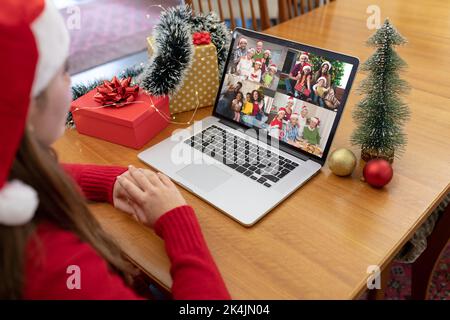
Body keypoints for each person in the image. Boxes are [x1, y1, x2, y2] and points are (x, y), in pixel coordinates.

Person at [0, 0, 230, 300]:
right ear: (26, 107)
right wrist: (177, 220)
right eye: (63, 70)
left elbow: (32, 176)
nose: (70, 81)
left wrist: (112, 181)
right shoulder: (55, 268)